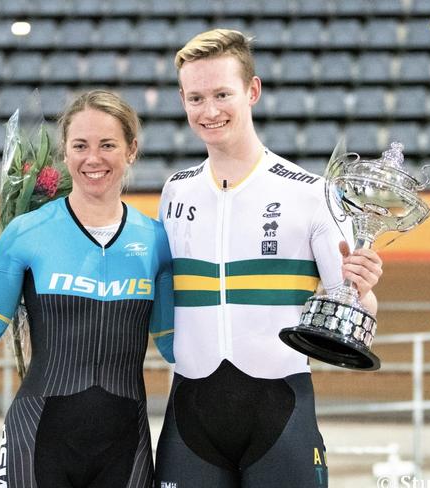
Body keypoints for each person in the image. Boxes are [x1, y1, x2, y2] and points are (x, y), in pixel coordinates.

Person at [154, 29, 383, 488]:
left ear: (252, 91)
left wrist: (364, 288)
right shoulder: (174, 191)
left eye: (223, 94)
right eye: (196, 98)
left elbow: (357, 309)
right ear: (182, 99)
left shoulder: (311, 192)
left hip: (281, 414)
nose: (209, 110)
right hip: (190, 416)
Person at [0, 89, 174, 488]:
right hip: (37, 440)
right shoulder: (27, 232)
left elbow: (176, 346)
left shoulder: (157, 240)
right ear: (65, 152)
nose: (93, 158)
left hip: (126, 446)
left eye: (108, 144)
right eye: (80, 145)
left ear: (131, 150)